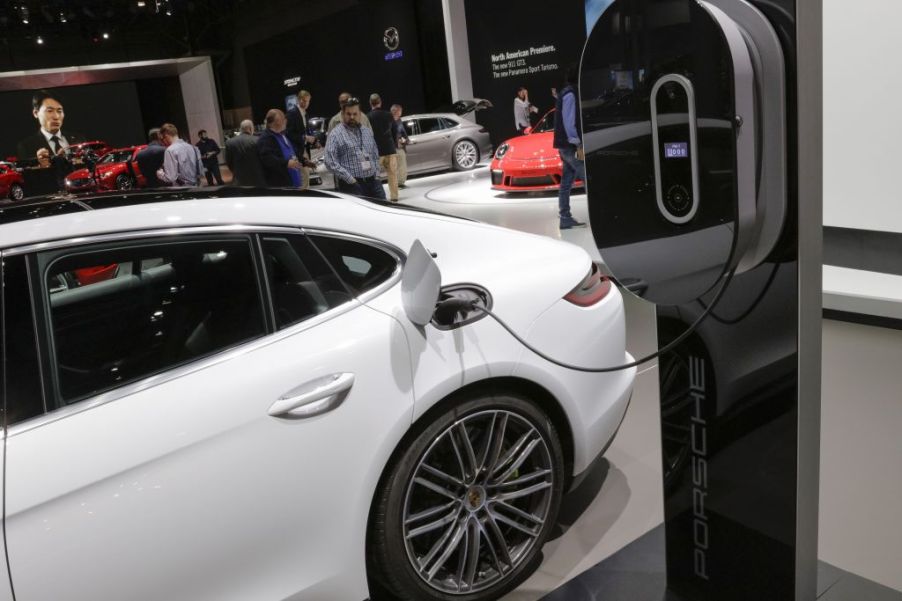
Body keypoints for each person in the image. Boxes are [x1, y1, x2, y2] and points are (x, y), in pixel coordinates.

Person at [324, 97, 385, 199]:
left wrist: (377, 175)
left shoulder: (367, 131)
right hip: (352, 185)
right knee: (359, 215)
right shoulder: (336, 134)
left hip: (374, 182)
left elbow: (374, 154)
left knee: (383, 211)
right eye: (348, 114)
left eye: (355, 114)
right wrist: (350, 179)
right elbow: (329, 161)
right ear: (343, 114)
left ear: (360, 114)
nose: (352, 117)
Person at [553, 65, 587, 229]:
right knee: (588, 178)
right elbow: (569, 123)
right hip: (570, 146)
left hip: (565, 146)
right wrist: (578, 143)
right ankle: (599, 216)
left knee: (566, 182)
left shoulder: (566, 92)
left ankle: (565, 217)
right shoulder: (570, 94)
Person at [17, 89, 85, 163]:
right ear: (36, 113)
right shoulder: (26, 147)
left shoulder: (78, 139)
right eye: (49, 111)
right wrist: (39, 165)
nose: (56, 117)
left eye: (59, 111)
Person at [257, 109, 304, 188]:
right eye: (283, 119)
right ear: (277, 121)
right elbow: (267, 159)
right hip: (281, 185)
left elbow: (291, 151)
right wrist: (286, 163)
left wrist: (303, 160)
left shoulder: (282, 134)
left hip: (293, 182)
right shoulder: (266, 138)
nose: (286, 121)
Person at [368, 94, 399, 202]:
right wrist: (395, 145)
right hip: (390, 149)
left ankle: (378, 198)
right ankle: (394, 197)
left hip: (376, 152)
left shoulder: (368, 117)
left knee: (375, 176)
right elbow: (395, 131)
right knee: (392, 175)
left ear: (370, 103)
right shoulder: (388, 115)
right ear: (380, 102)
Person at [286, 90, 317, 189]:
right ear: (299, 100)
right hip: (297, 151)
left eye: (308, 101)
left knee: (305, 178)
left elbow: (306, 131)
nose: (306, 103)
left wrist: (314, 141)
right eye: (304, 100)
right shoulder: (292, 113)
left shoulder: (305, 113)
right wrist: (305, 138)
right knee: (303, 179)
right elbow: (289, 134)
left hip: (304, 149)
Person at [226, 119, 266, 187]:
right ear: (251, 128)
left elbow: (229, 163)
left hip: (238, 181)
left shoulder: (230, 143)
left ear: (241, 129)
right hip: (257, 180)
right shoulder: (258, 140)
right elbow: (264, 160)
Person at [391, 104, 409, 188]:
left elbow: (403, 132)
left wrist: (406, 139)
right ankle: (397, 183)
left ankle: (401, 182)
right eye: (400, 110)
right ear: (396, 111)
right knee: (396, 166)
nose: (401, 112)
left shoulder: (399, 120)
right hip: (393, 148)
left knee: (402, 165)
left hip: (400, 146)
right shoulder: (389, 121)